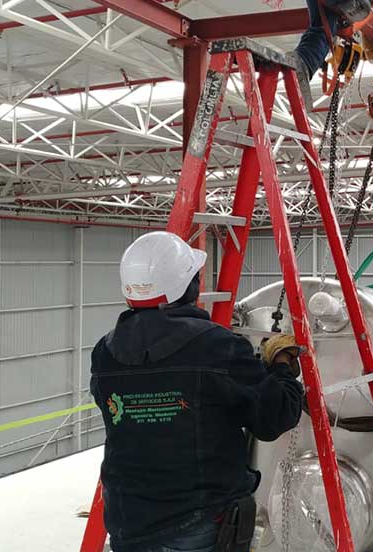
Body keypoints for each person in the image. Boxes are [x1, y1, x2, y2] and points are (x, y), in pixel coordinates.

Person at [90, 231, 304, 552]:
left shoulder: (105, 351)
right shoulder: (216, 347)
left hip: (127, 521)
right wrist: (281, 364)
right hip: (197, 522)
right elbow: (274, 417)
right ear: (189, 287)